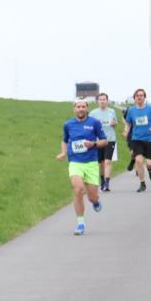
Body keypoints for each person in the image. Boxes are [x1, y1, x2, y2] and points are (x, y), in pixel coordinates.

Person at [57, 99, 107, 235]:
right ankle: (80, 223)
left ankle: (95, 201)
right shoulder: (68, 124)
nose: (80, 109)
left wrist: (93, 144)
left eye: (83, 107)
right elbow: (65, 140)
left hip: (91, 163)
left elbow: (104, 140)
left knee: (92, 197)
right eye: (78, 107)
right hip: (75, 162)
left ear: (87, 108)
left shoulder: (94, 123)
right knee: (78, 189)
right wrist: (63, 152)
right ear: (74, 109)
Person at [123, 88, 151, 193]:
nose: (139, 97)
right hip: (136, 139)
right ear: (135, 98)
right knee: (138, 161)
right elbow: (128, 123)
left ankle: (150, 169)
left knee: (149, 163)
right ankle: (142, 183)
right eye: (137, 96)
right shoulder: (131, 110)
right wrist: (126, 130)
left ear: (144, 97)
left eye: (141, 95)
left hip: (149, 139)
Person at [89, 93, 118, 192]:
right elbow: (89, 126)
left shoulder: (112, 111)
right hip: (98, 141)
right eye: (100, 99)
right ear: (98, 101)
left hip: (110, 139)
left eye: (104, 99)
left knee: (107, 161)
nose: (102, 101)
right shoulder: (93, 113)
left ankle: (107, 183)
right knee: (100, 163)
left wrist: (114, 123)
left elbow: (115, 123)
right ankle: (102, 180)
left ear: (107, 101)